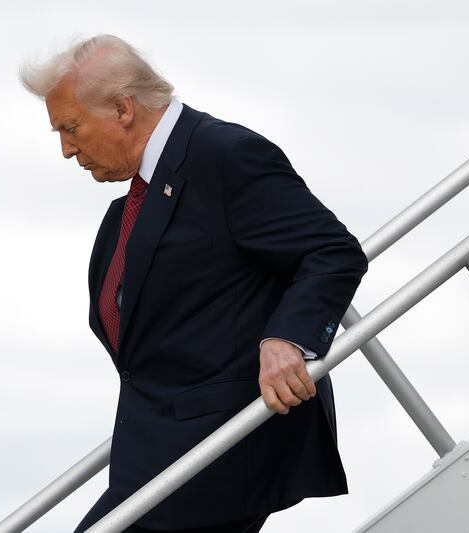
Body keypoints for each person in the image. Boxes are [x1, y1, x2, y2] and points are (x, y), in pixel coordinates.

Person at [20, 34, 368, 533]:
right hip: (161, 456)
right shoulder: (129, 209)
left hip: (225, 446)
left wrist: (287, 339)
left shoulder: (224, 155)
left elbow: (331, 250)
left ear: (122, 109)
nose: (66, 149)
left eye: (71, 128)